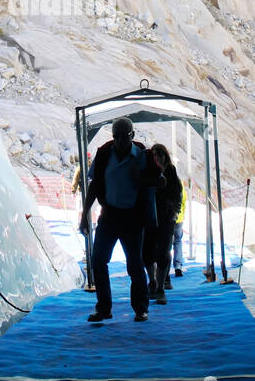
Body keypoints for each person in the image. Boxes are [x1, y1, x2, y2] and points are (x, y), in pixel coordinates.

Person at [79, 118, 165, 322]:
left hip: (133, 219)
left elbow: (161, 181)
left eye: (124, 136)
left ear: (132, 136)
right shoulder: (104, 154)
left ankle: (141, 309)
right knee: (99, 261)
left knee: (135, 265)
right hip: (109, 216)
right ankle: (103, 308)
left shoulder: (143, 155)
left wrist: (140, 179)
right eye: (115, 136)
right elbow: (94, 185)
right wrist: (84, 215)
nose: (119, 141)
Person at [142, 144, 182, 304]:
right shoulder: (148, 172)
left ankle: (160, 287)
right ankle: (152, 282)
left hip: (166, 218)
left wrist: (174, 212)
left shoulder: (171, 172)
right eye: (155, 155)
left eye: (160, 154)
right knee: (147, 252)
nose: (158, 158)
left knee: (164, 251)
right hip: (150, 217)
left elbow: (177, 193)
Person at [172, 178, 189, 277]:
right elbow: (183, 200)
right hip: (179, 217)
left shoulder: (162, 181)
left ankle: (163, 270)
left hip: (167, 217)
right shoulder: (179, 182)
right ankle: (178, 266)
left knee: (165, 244)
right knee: (178, 241)